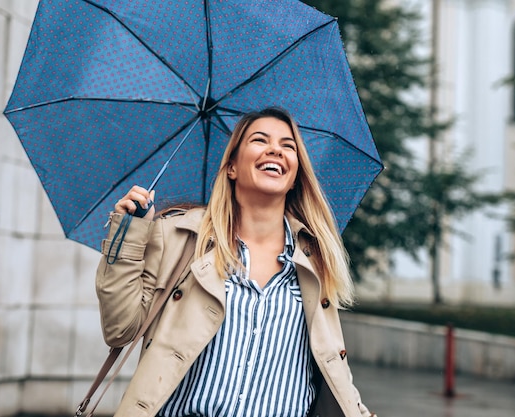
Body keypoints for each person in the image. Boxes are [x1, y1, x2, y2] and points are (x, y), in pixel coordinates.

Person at [96, 107, 375, 417]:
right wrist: (129, 233)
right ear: (231, 167)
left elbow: (333, 364)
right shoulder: (181, 239)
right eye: (260, 140)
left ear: (295, 174)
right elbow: (120, 330)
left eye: (288, 145)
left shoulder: (315, 259)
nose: (275, 150)